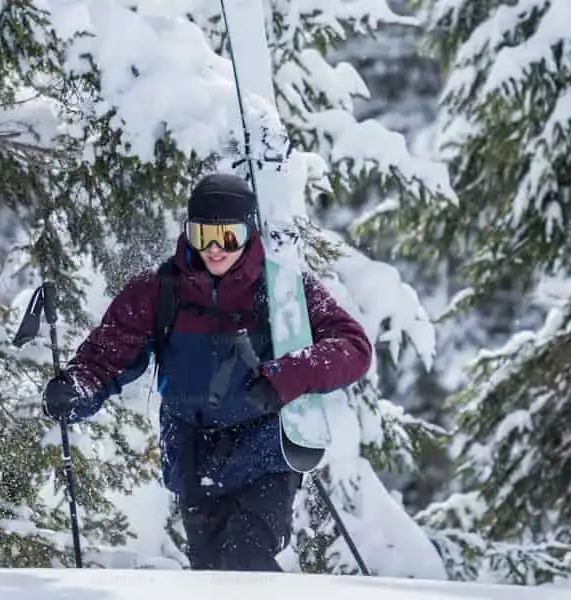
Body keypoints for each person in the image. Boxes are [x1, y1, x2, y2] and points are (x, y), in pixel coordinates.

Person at [39, 173, 373, 571]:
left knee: (246, 558)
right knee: (210, 574)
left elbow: (353, 347)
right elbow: (107, 355)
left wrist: (283, 377)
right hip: (194, 458)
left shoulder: (283, 289)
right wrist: (76, 387)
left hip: (265, 453)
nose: (214, 249)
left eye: (228, 237)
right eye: (202, 235)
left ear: (249, 232)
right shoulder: (158, 290)